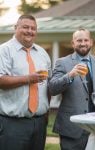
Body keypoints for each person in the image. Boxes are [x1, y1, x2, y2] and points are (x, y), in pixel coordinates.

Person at [48, 28, 95, 150]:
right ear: (73, 43)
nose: (83, 43)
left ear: (91, 42)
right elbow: (52, 89)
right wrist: (70, 75)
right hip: (72, 127)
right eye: (79, 40)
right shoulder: (62, 62)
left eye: (86, 40)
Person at [0, 15, 51, 150]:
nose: (29, 31)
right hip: (13, 125)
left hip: (39, 123)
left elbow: (48, 85)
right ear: (15, 28)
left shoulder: (42, 53)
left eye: (33, 28)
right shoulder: (4, 50)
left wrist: (46, 113)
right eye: (25, 27)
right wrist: (28, 79)